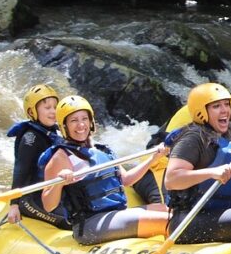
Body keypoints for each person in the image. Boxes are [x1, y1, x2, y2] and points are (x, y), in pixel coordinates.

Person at [38, 95, 170, 245]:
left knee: (165, 209)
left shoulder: (103, 150)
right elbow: (48, 205)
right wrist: (59, 183)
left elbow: (126, 180)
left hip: (115, 214)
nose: (81, 125)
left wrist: (153, 159)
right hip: (89, 225)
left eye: (84, 119)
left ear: (91, 121)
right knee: (166, 220)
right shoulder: (60, 157)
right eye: (74, 121)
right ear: (64, 126)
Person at [164, 83, 231, 243]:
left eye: (227, 104)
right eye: (216, 106)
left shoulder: (230, 131)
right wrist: (212, 172)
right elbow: (171, 180)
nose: (225, 110)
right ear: (201, 111)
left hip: (225, 212)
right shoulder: (193, 138)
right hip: (190, 221)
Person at [7, 84, 65, 226]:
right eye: (47, 108)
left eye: (55, 107)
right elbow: (21, 171)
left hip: (49, 193)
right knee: (69, 222)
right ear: (32, 111)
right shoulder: (30, 139)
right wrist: (14, 204)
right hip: (30, 199)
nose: (53, 111)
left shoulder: (54, 131)